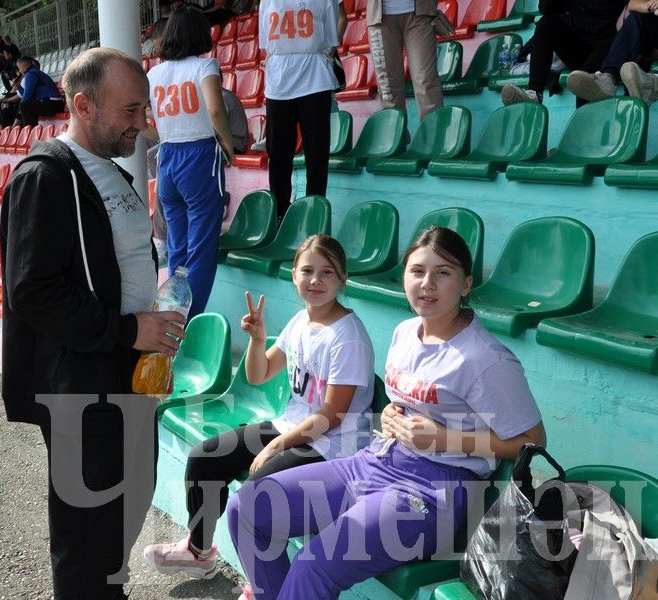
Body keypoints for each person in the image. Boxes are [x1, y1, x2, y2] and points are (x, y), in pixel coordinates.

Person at [227, 226, 547, 600]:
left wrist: (442, 439)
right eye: (417, 272)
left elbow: (533, 441)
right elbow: (407, 403)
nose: (427, 284)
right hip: (373, 462)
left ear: (465, 284)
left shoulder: (486, 359)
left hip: (432, 492)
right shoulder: (405, 333)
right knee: (246, 509)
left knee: (315, 564)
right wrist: (393, 417)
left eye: (443, 273)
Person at [0, 47, 187, 600]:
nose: (142, 123)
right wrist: (130, 332)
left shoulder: (109, 172)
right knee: (86, 533)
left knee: (125, 510)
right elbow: (33, 291)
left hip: (126, 372)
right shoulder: (45, 177)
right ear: (83, 105)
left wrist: (148, 339)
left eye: (144, 109)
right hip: (82, 387)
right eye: (130, 111)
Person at [143, 234, 375, 580]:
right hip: (293, 425)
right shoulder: (301, 322)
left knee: (260, 495)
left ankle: (262, 582)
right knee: (205, 458)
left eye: (327, 273)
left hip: (332, 444)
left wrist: (276, 445)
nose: (316, 280)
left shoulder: (347, 335)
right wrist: (256, 339)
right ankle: (199, 551)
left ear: (343, 279)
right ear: (293, 274)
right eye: (308, 270)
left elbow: (332, 415)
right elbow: (258, 373)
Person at [148, 7, 236, 318]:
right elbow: (215, 110)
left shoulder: (153, 74)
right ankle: (188, 324)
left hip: (168, 157)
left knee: (179, 249)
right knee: (201, 250)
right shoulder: (205, 66)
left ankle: (171, 317)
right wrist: (226, 143)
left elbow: (146, 121)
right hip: (199, 157)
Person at [260, 0, 340, 219]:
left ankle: (306, 213)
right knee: (304, 154)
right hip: (300, 79)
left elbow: (266, 45)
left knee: (288, 155)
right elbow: (331, 40)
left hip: (297, 80)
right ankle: (285, 215)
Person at [501, 0, 627, 105]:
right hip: (581, 46)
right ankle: (534, 94)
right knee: (546, 23)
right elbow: (547, 8)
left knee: (584, 85)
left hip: (610, 48)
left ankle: (587, 132)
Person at [565, 6, 658, 104]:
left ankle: (650, 85)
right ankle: (608, 80)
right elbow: (632, 4)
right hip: (645, 43)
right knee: (636, 17)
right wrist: (651, 6)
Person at [367, 0, 442, 119]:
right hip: (379, 17)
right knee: (388, 89)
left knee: (426, 81)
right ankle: (397, 136)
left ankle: (433, 135)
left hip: (420, 15)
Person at [3, 56, 63, 126]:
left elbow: (26, 96)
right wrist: (18, 86)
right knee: (24, 105)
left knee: (24, 106)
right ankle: (24, 128)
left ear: (24, 66)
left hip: (53, 103)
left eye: (19, 68)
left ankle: (29, 130)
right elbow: (26, 95)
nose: (19, 71)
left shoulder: (31, 74)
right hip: (55, 104)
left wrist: (19, 114)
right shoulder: (34, 72)